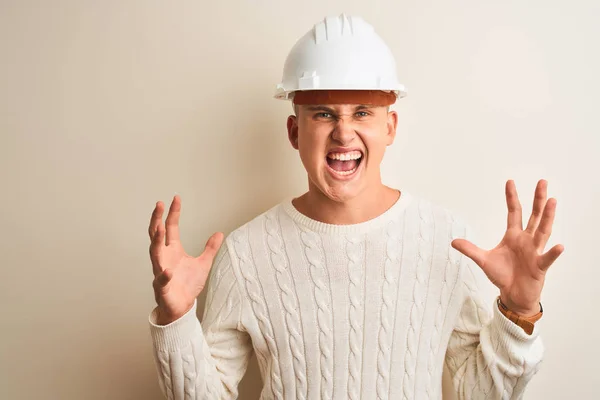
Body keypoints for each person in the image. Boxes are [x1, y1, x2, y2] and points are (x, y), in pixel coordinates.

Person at [147, 14, 564, 400]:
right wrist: (177, 319)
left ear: (390, 127)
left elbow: (480, 393)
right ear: (294, 131)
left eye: (362, 112)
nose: (343, 133)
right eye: (323, 114)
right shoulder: (246, 253)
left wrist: (519, 312)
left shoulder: (447, 241)